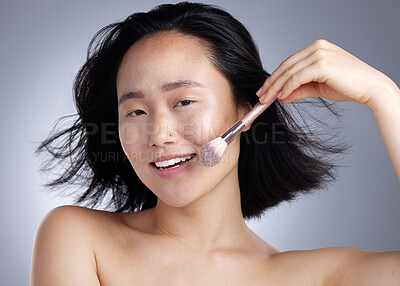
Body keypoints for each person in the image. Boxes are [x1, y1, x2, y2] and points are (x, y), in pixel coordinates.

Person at [30, 2, 400, 285]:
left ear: (247, 110)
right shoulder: (79, 238)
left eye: (184, 102)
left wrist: (384, 96)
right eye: (136, 112)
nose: (159, 135)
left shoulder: (317, 276)